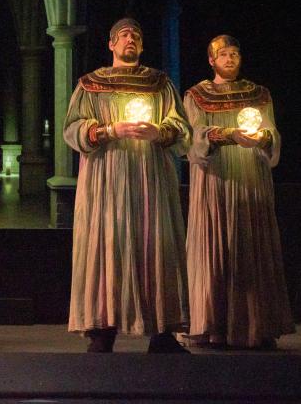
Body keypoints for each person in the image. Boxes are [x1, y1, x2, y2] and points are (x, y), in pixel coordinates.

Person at [64, 18, 191, 353]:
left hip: (151, 176)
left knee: (154, 244)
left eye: (136, 34)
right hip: (107, 177)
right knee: (108, 244)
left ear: (142, 45)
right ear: (111, 45)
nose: (130, 38)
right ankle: (103, 327)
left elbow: (181, 127)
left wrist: (159, 132)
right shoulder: (91, 85)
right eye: (123, 35)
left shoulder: (159, 84)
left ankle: (162, 330)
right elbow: (73, 128)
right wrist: (109, 131)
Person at [184, 35, 295, 349]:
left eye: (235, 53)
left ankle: (257, 326)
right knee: (217, 245)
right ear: (211, 60)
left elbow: (271, 131)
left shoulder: (258, 94)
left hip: (250, 176)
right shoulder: (197, 95)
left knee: (251, 242)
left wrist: (262, 138)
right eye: (223, 54)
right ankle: (213, 325)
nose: (230, 58)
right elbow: (195, 136)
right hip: (216, 178)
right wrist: (229, 134)